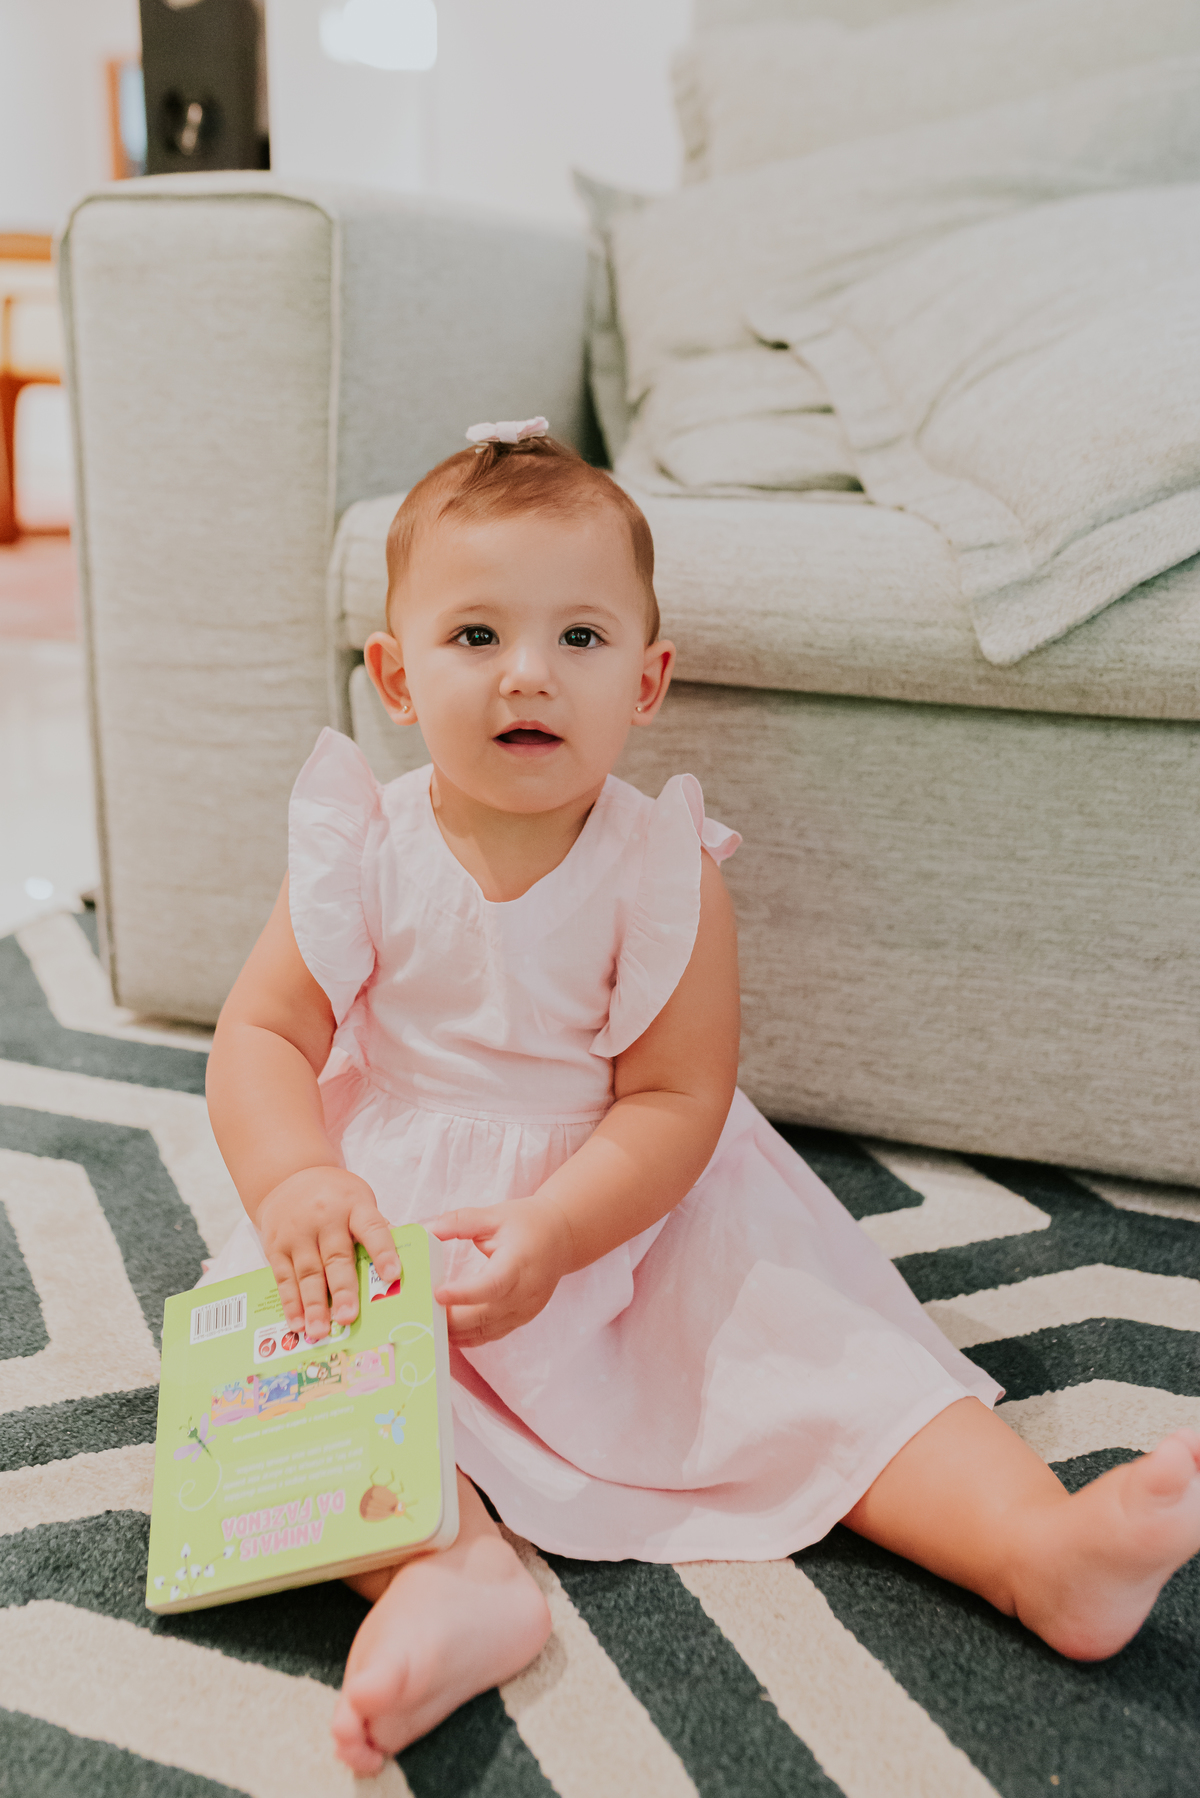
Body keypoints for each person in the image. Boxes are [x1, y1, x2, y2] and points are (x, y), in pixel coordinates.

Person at [202, 419, 1200, 1776]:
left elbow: (675, 1098)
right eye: (477, 636)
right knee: (302, 1382)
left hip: (629, 1207)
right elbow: (263, 1029)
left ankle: (1037, 1547)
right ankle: (451, 1570)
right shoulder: (360, 842)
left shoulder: (656, 865)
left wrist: (561, 1231)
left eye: (581, 639)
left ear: (651, 678)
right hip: (394, 1200)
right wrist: (300, 1180)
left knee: (823, 1362)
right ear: (392, 674)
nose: (528, 676)